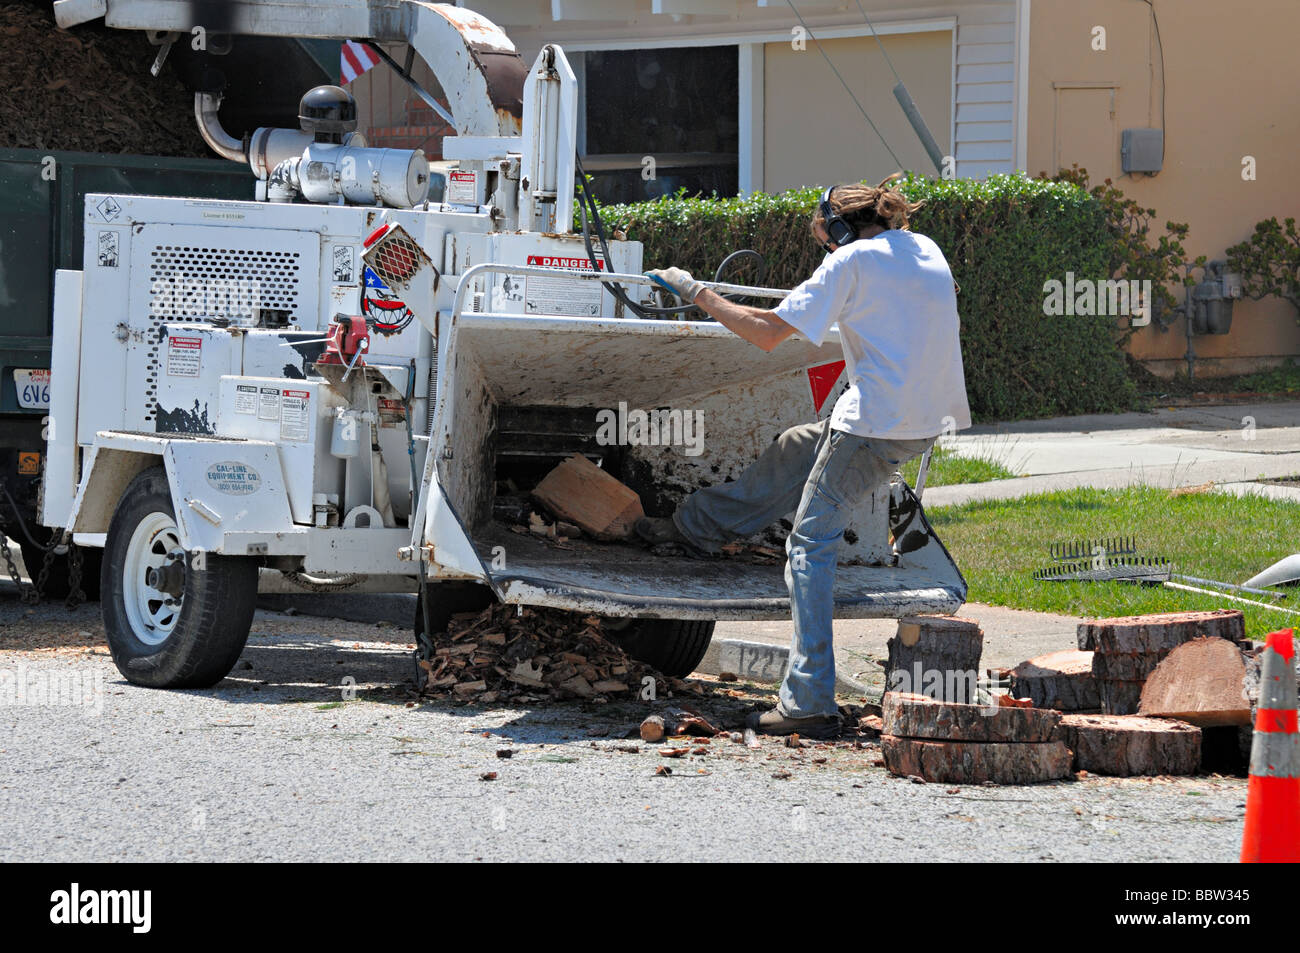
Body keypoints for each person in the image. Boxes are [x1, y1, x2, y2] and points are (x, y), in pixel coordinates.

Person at [642, 174, 971, 738]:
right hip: (926, 420)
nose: (827, 247)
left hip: (873, 424)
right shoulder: (924, 248)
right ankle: (697, 527)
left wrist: (696, 291)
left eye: (827, 237)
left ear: (841, 229)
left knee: (809, 546)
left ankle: (809, 700)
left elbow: (767, 334)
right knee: (800, 444)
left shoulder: (850, 263)